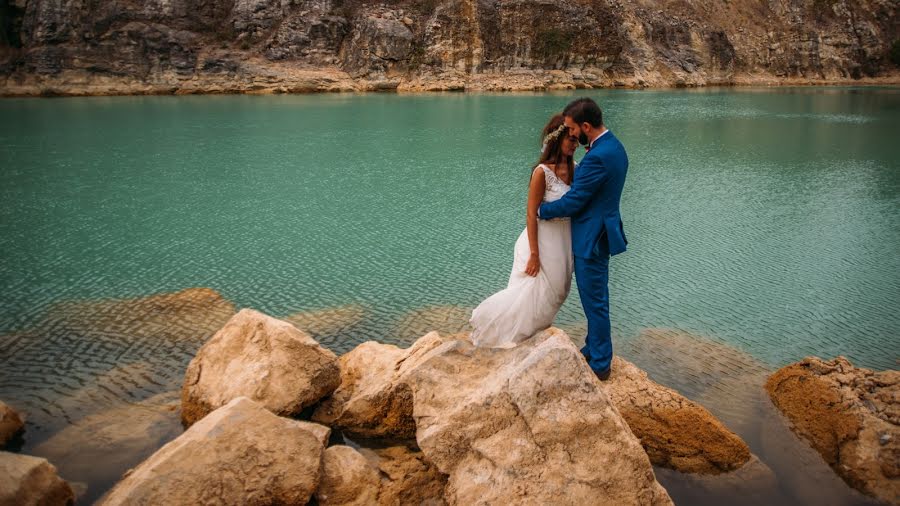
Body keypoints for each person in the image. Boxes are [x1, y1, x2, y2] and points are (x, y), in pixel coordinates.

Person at [538, 97, 629, 381]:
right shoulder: (614, 146)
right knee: (595, 297)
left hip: (591, 236)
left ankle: (600, 363)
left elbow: (575, 201)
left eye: (572, 128)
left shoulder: (598, 157)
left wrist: (543, 210)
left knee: (595, 301)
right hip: (602, 229)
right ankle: (592, 347)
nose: (571, 134)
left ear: (586, 126)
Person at [469, 113, 578, 348]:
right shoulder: (541, 172)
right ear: (557, 139)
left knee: (559, 290)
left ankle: (536, 332)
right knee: (530, 292)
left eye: (577, 140)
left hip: (563, 241)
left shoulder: (576, 169)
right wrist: (534, 255)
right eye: (570, 140)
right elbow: (531, 214)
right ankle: (509, 333)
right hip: (541, 240)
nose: (574, 145)